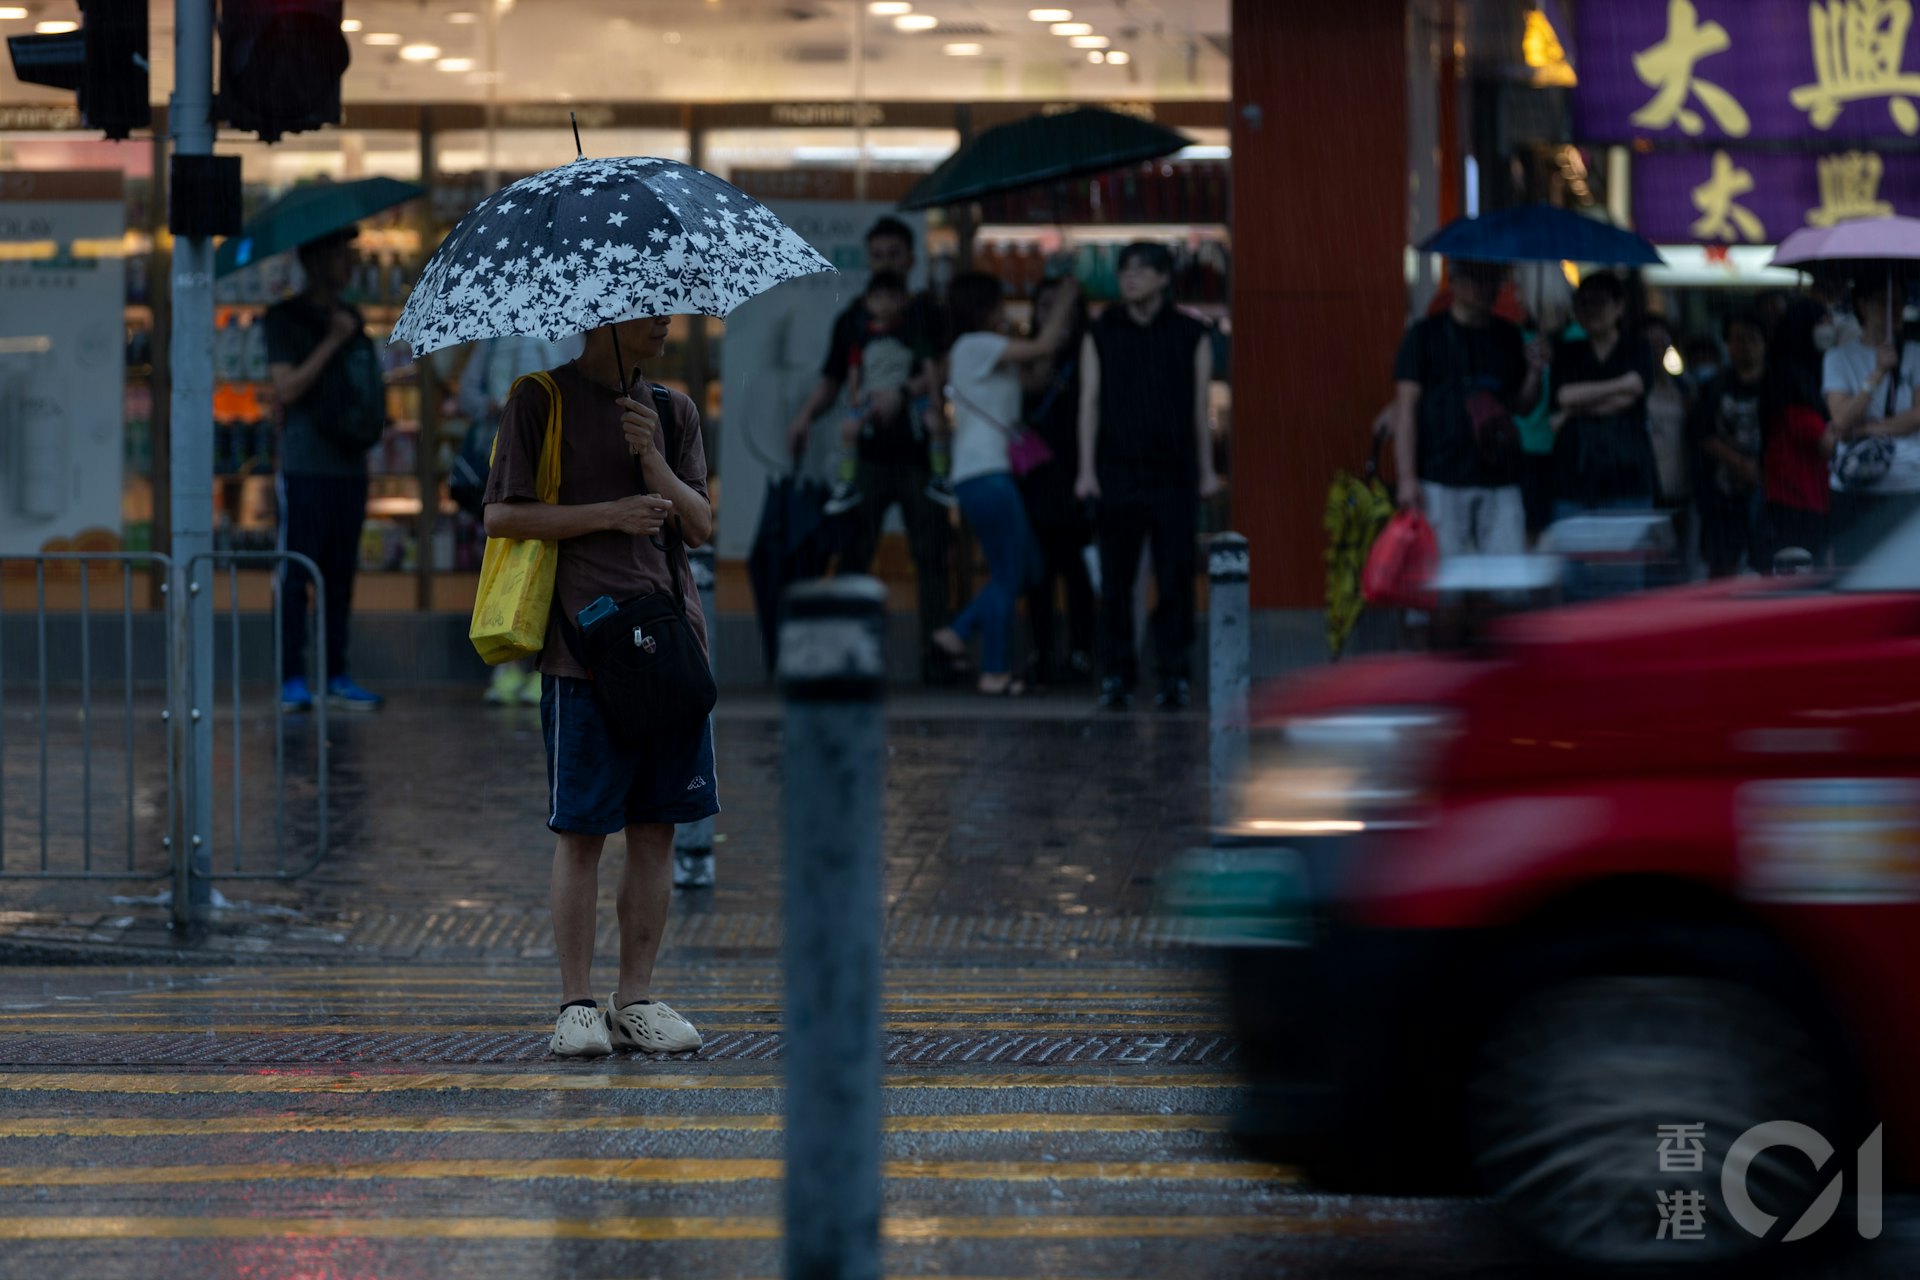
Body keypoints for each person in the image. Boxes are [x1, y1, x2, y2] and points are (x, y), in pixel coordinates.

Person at [480, 314, 716, 1059]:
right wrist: (606, 515)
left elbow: (703, 524)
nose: (666, 324)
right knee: (582, 832)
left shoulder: (674, 411)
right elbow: (501, 515)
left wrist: (654, 465)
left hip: (671, 649)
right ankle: (577, 1002)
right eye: (649, 311)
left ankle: (636, 997)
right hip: (581, 653)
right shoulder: (540, 400)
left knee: (657, 832)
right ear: (606, 320)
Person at [785, 217, 957, 682]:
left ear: (912, 259)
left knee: (932, 557)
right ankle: (845, 657)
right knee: (855, 553)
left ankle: (936, 659)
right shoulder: (853, 319)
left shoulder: (928, 312)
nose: (885, 262)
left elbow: (943, 366)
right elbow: (833, 379)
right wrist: (804, 417)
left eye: (893, 254)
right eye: (877, 254)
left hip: (920, 456)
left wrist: (902, 391)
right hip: (868, 458)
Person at [1075, 243, 1222, 712]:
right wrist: (1085, 471)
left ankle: (1174, 674)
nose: (1130, 278)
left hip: (1174, 472)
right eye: (1124, 271)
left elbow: (1201, 408)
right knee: (1116, 581)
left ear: (1164, 278)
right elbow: (1089, 404)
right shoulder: (1101, 332)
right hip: (1116, 471)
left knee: (1176, 576)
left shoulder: (1191, 333)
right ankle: (1117, 674)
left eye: (1141, 270)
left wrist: (1206, 471)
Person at [929, 273, 1081, 695]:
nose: (1003, 312)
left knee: (1029, 566)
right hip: (985, 474)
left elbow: (1035, 378)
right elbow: (1043, 347)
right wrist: (1066, 298)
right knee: (1009, 572)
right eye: (997, 304)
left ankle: (958, 631)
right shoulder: (973, 346)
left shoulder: (988, 355)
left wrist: (1055, 327)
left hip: (991, 475)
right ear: (982, 308)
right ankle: (993, 669)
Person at [265, 227, 388, 713]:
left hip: (350, 467)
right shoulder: (284, 319)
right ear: (313, 259)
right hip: (305, 469)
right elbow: (287, 389)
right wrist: (332, 341)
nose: (348, 261)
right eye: (339, 252)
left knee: (341, 576)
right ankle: (292, 677)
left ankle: (337, 674)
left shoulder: (353, 317)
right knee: (297, 574)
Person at [458, 333, 585, 706]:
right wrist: (494, 405)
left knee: (548, 562)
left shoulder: (572, 337)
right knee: (504, 559)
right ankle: (506, 661)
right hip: (503, 462)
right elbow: (467, 393)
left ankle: (536, 663)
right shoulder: (494, 340)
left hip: (554, 464)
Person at [1391, 258, 1546, 559]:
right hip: (1440, 474)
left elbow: (1522, 406)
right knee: (1441, 581)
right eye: (1477, 279)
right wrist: (1406, 477)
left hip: (1500, 474)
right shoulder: (1425, 335)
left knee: (1507, 584)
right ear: (1456, 282)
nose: (1486, 288)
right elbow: (1406, 407)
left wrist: (1535, 372)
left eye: (1493, 279)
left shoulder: (1508, 336)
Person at [1018, 275, 1095, 688]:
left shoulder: (1087, 349)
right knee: (1039, 571)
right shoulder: (1031, 353)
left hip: (1074, 470)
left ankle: (1080, 650)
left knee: (1074, 567)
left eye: (1057, 303)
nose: (1050, 311)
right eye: (1043, 304)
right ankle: (1044, 651)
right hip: (1035, 473)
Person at [1824, 270, 1920, 566]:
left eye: (1898, 303)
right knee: (1853, 570)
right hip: (1854, 487)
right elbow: (1840, 420)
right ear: (1863, 306)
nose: (1893, 311)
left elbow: (1916, 416)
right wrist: (1877, 374)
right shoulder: (1838, 358)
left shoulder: (1915, 353)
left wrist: (1865, 429)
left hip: (1906, 482)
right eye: (1884, 303)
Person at [1551, 273, 1657, 518]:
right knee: (1574, 551)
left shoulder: (1638, 348)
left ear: (1619, 306)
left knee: (1628, 553)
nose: (1591, 310)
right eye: (1584, 303)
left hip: (1628, 472)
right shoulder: (1568, 351)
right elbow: (1565, 396)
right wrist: (1622, 383)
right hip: (1575, 473)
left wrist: (1572, 411)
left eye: (1600, 302)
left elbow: (1633, 395)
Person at [823, 271, 923, 517]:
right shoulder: (858, 333)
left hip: (911, 432)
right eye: (878, 297)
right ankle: (846, 482)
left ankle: (941, 477)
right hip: (870, 411)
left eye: (891, 297)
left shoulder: (914, 331)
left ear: (903, 300)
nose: (885, 304)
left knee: (934, 422)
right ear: (867, 301)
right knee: (848, 429)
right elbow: (853, 370)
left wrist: (910, 393)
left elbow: (930, 368)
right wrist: (856, 396)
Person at [1689, 314, 1768, 577]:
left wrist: (1760, 467)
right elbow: (1701, 433)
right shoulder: (1713, 386)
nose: (1745, 346)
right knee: (1721, 569)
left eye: (1752, 339)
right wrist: (1739, 463)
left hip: (1769, 492)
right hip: (1721, 496)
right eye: (1737, 339)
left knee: (1766, 566)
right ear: (1727, 344)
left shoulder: (1778, 384)